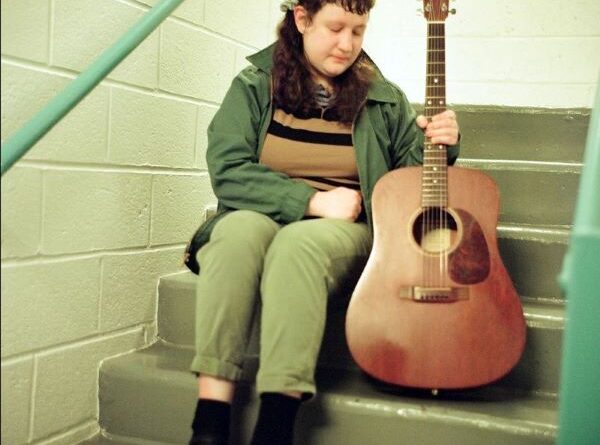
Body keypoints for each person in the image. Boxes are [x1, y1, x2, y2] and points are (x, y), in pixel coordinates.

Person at [184, 1, 460, 444]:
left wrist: (442, 145)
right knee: (234, 233)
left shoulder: (383, 98)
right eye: (335, 28)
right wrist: (311, 200)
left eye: (358, 31)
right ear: (302, 18)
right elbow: (228, 168)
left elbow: (413, 186)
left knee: (299, 246)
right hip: (266, 214)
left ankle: (276, 424)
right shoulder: (256, 84)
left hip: (346, 227)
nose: (346, 44)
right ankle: (210, 420)